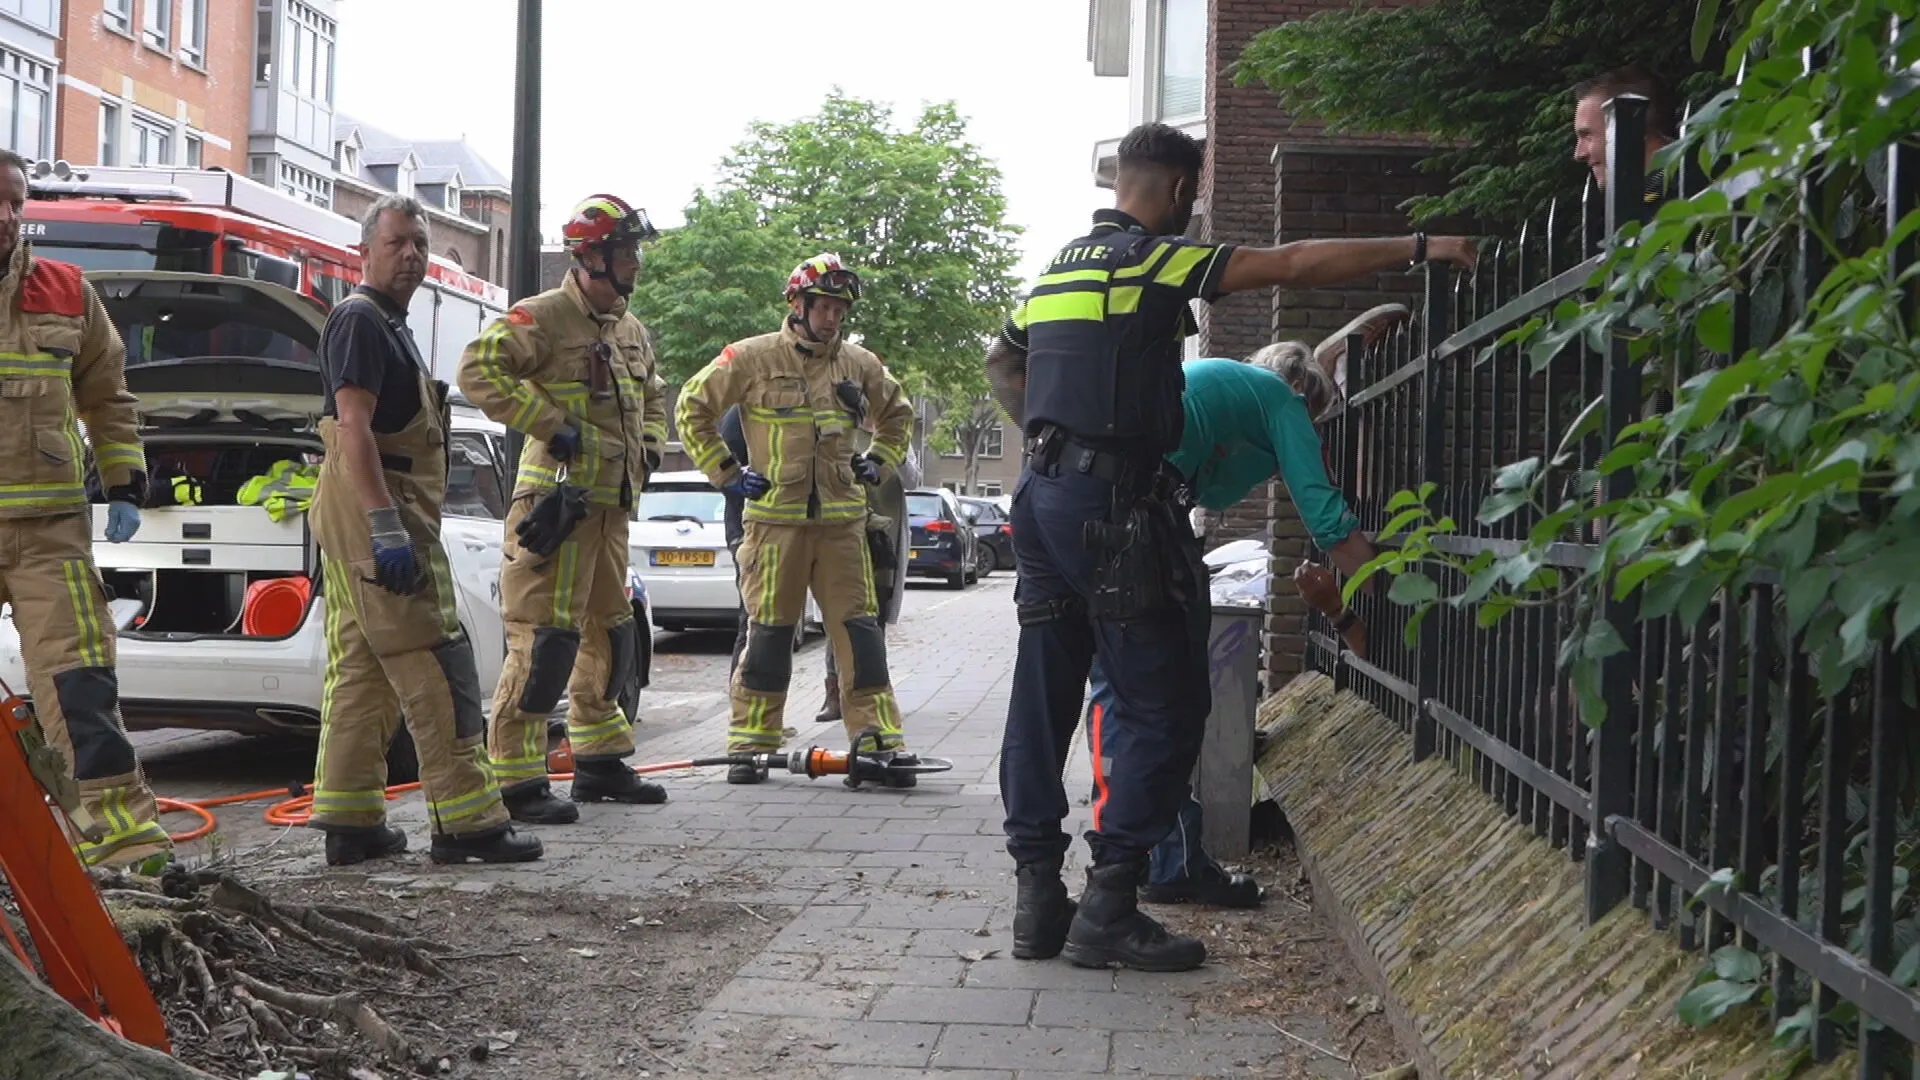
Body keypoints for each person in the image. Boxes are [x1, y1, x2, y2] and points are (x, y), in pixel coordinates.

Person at [984, 121, 1477, 972]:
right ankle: (1110, 906)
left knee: (1044, 694)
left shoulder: (1055, 268)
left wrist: (1051, 440)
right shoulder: (1154, 259)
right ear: (1179, 191)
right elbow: (1291, 264)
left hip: (1039, 501)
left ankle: (1038, 899)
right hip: (1115, 512)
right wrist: (1424, 244)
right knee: (1164, 706)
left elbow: (1004, 363)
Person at [1082, 315, 1399, 907]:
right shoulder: (1282, 401)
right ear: (1304, 401)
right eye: (1315, 426)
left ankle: (1129, 852)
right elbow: (1327, 521)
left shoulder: (1225, 384)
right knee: (1168, 702)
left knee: (1118, 692)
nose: (1306, 441)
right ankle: (1164, 863)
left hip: (1097, 510)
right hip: (1145, 524)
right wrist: (1392, 590)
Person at [306, 195, 541, 867]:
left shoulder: (386, 323)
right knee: (437, 659)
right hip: (382, 515)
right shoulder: (360, 321)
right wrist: (386, 527)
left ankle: (350, 822)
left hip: (367, 513)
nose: (411, 254)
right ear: (366, 251)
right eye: (396, 243)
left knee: (361, 670)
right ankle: (467, 822)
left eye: (419, 243)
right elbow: (354, 428)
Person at [457, 194, 670, 824]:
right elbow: (477, 369)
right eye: (625, 250)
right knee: (544, 641)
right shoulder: (543, 318)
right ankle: (517, 779)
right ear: (591, 255)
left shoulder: (628, 328)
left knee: (612, 632)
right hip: (555, 507)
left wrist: (650, 450)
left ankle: (599, 760)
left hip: (609, 511)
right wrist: (551, 424)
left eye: (633, 250)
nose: (634, 262)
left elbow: (654, 397)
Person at [677, 254, 915, 784]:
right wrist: (726, 473)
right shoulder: (750, 358)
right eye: (824, 307)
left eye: (840, 309)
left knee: (860, 637)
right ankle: (751, 744)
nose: (833, 319)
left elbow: (898, 414)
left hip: (842, 527)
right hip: (773, 526)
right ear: (798, 305)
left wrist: (877, 462)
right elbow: (691, 406)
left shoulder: (860, 364)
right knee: (768, 635)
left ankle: (876, 742)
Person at [0, 149, 172, 873]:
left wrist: (125, 485)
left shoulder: (67, 291)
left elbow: (108, 397)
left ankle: (126, 850)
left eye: (16, 200)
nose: (8, 216)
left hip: (49, 537)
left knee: (81, 690)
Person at [815, 414, 920, 725]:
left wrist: (894, 451)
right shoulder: (837, 427)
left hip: (883, 536)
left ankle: (873, 691)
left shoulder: (896, 429)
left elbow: (913, 479)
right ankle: (834, 691)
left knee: (876, 615)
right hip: (844, 530)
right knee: (839, 613)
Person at [1572, 67, 1675, 198]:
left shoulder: (1689, 192)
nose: (1579, 154)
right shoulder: (1644, 202)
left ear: (1632, 124)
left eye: (1587, 135)